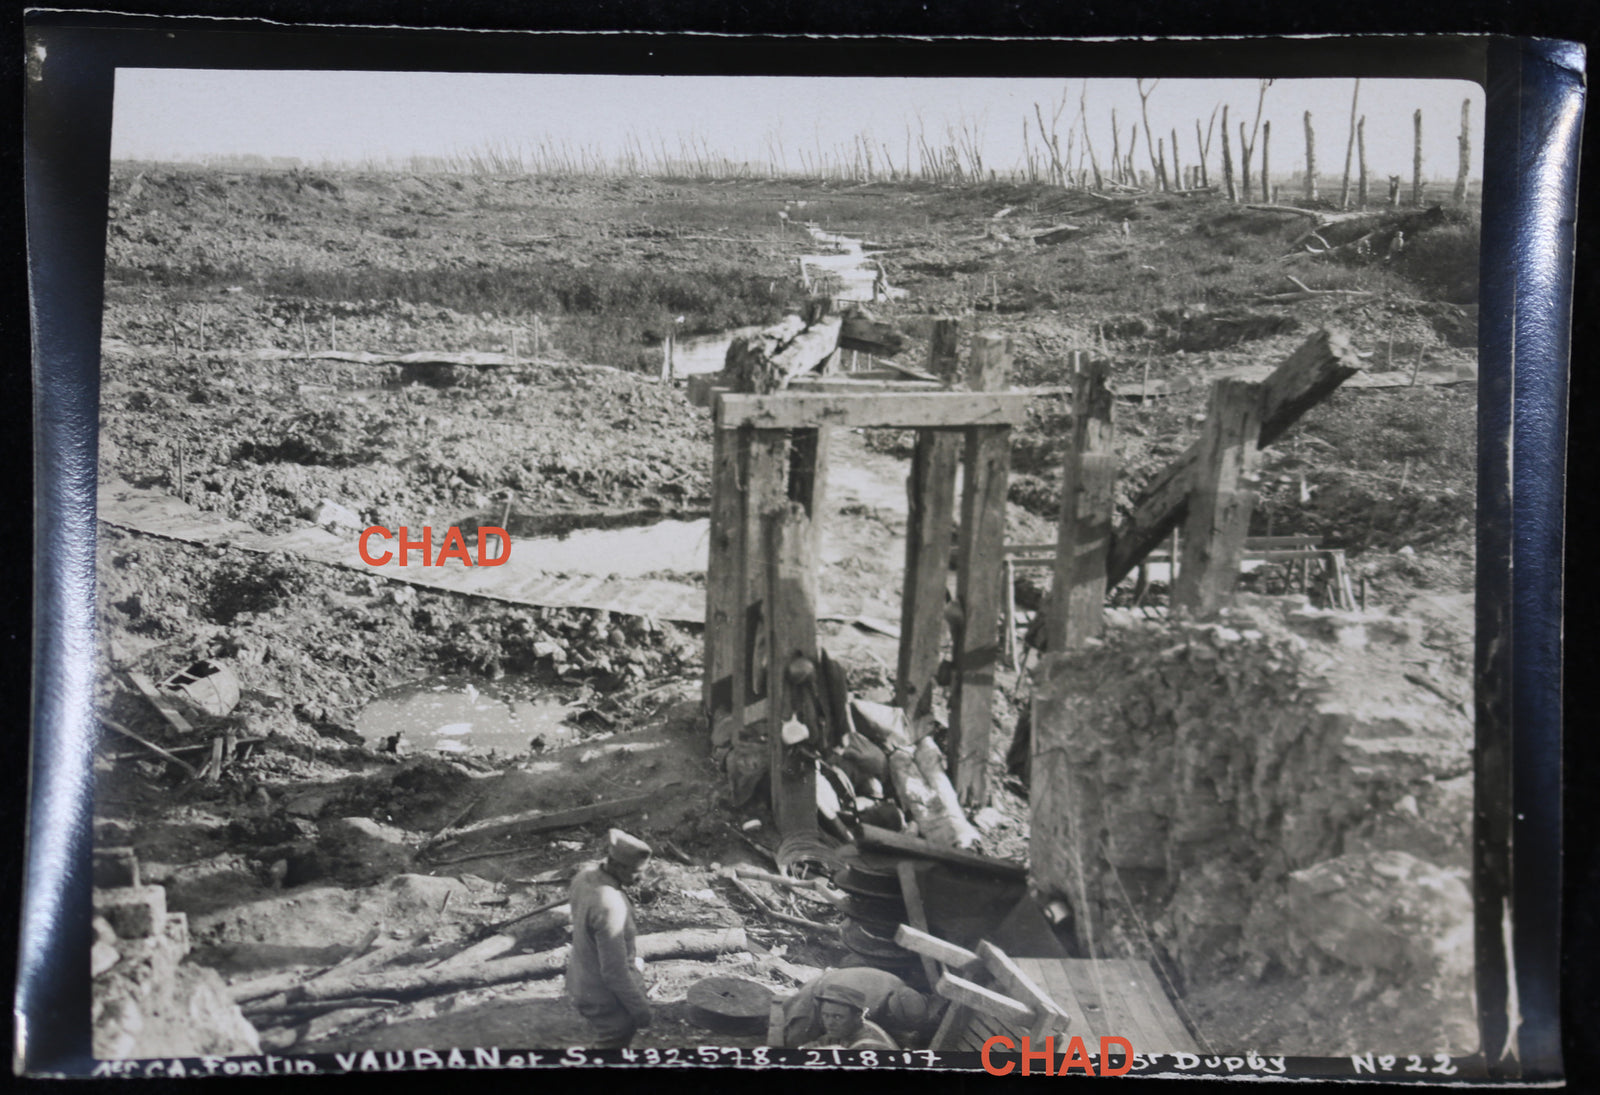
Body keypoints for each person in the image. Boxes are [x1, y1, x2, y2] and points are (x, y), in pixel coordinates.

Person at [565, 829, 653, 1048]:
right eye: (636, 872)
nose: (640, 878)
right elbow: (614, 972)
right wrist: (641, 1010)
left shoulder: (584, 875)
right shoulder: (610, 904)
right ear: (619, 866)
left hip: (580, 977)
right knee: (612, 1045)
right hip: (603, 996)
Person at [781, 967, 932, 1047]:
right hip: (818, 990)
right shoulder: (867, 1005)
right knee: (796, 1041)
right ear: (891, 1014)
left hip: (840, 984)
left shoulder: (901, 989)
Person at [798, 983, 899, 1051]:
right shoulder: (843, 1031)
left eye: (837, 1017)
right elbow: (820, 1043)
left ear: (858, 1016)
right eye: (825, 1015)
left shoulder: (869, 1046)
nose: (829, 1023)